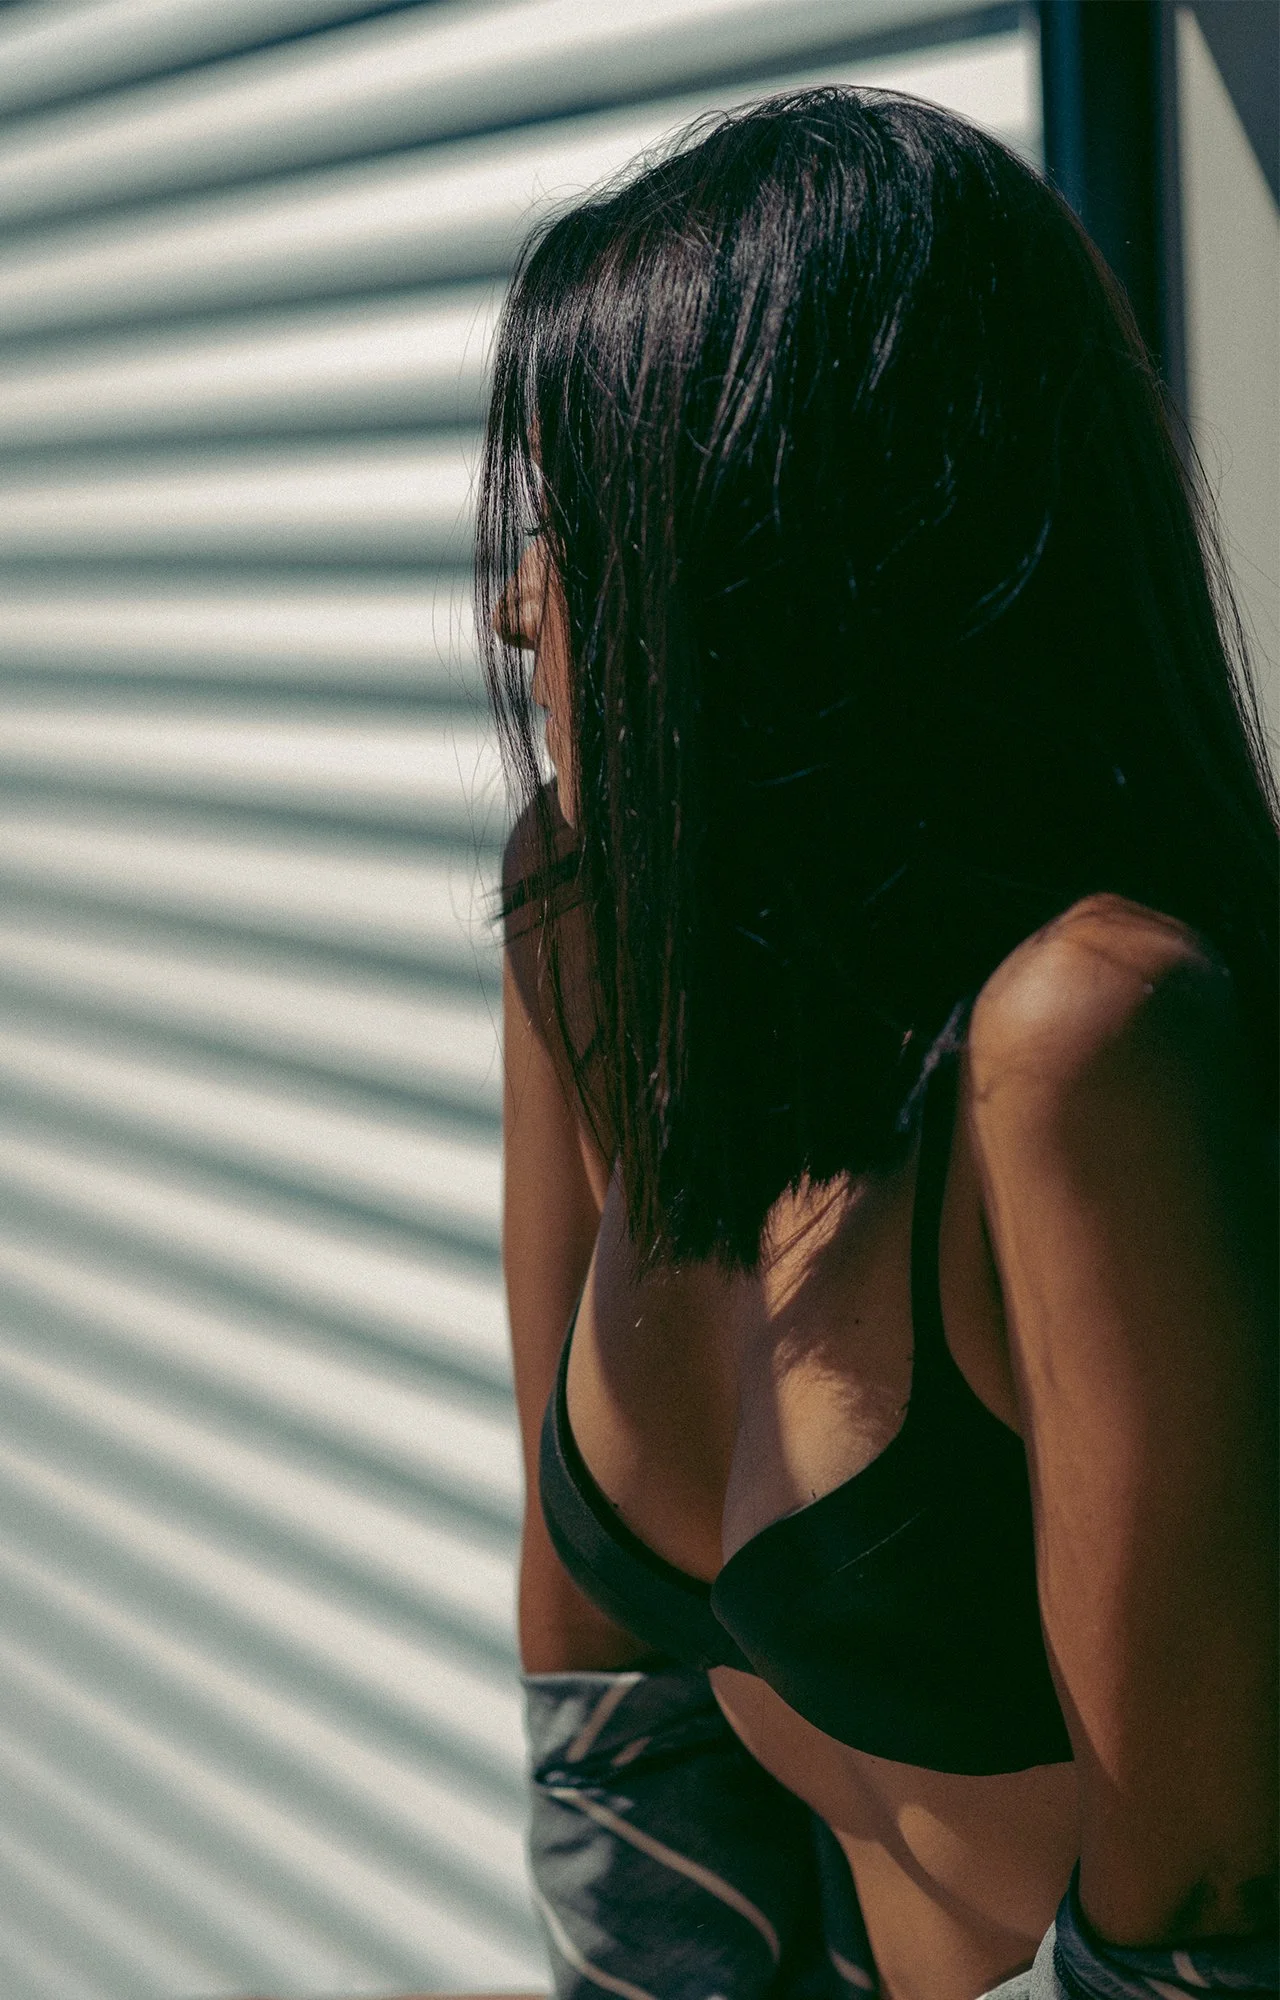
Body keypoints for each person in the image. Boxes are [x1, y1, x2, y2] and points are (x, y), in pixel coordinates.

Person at [477, 87, 1279, 2000]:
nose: (519, 612)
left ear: (777, 562)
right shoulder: (601, 934)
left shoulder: (1083, 1051)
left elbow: (1204, 1930)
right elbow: (603, 1679)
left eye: (578, 531)